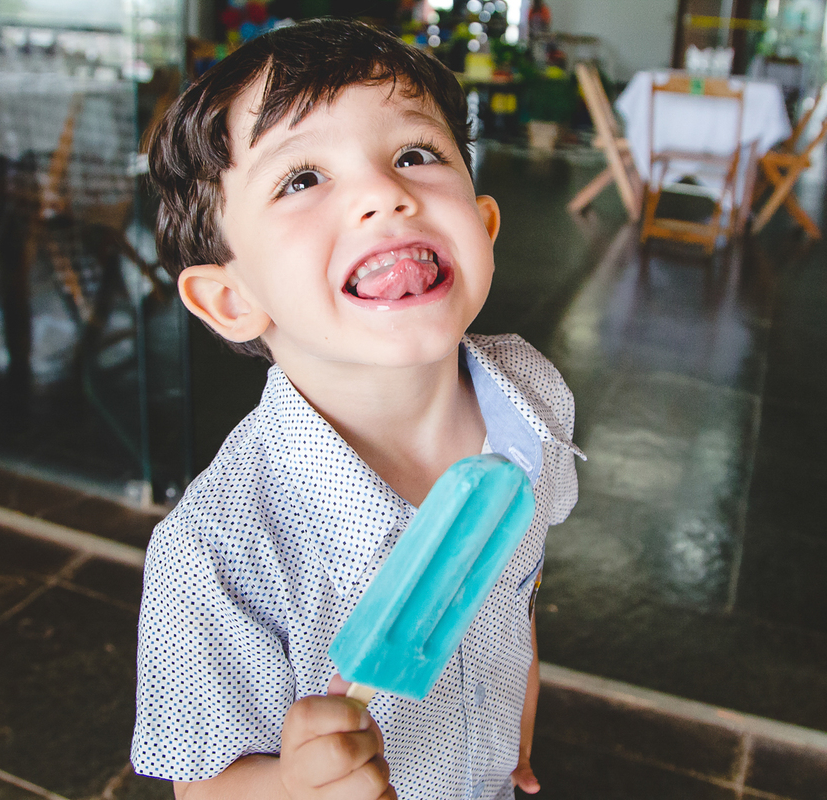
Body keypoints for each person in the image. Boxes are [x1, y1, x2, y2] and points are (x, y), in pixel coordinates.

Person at [130, 18, 582, 800]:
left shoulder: (532, 397)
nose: (385, 192)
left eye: (415, 154)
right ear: (231, 298)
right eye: (301, 179)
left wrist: (520, 716)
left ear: (483, 224)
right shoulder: (212, 552)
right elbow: (204, 787)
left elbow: (521, 583)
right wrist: (293, 786)